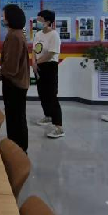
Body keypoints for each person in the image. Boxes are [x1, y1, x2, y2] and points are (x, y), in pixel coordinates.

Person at [0, 4, 29, 152]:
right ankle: (17, 149)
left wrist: (1, 71)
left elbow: (12, 66)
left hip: (14, 84)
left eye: (4, 17)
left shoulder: (14, 36)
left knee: (15, 118)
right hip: (17, 82)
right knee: (16, 117)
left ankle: (17, 150)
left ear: (10, 18)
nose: (2, 19)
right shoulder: (17, 33)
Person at [32, 10, 64, 139]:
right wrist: (33, 62)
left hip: (49, 66)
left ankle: (59, 127)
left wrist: (37, 62)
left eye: (40, 20)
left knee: (51, 96)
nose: (37, 22)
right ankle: (48, 116)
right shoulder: (38, 34)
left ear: (48, 21)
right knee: (42, 94)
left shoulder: (54, 35)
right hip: (38, 66)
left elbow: (51, 54)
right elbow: (34, 50)